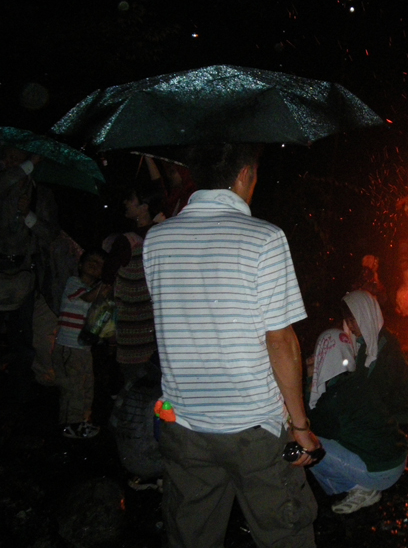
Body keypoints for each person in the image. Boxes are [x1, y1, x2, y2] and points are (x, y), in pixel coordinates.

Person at [143, 143, 319, 548]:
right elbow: (280, 341)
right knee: (285, 533)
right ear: (244, 174)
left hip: (183, 425)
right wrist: (299, 426)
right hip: (253, 428)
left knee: (191, 535)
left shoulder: (157, 240)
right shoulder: (264, 239)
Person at [308, 290, 408, 514]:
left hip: (386, 419)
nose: (351, 325)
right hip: (368, 416)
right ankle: (360, 475)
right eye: (348, 320)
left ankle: (362, 481)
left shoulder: (385, 348)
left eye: (354, 319)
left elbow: (404, 386)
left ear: (367, 315)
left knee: (319, 440)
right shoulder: (360, 343)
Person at [1, 146, 60, 402]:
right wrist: (28, 164)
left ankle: (19, 398)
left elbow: (50, 234)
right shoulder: (3, 186)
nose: (10, 160)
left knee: (23, 338)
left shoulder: (42, 194)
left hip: (24, 274)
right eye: (7, 156)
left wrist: (29, 216)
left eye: (17, 155)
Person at [102, 182, 165, 388]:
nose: (125, 203)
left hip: (131, 327)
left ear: (144, 207)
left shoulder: (126, 241)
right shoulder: (162, 234)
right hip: (157, 325)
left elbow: (107, 276)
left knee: (131, 385)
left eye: (131, 199)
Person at [53, 249, 108, 439]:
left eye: (100, 264)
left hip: (83, 348)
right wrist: (107, 285)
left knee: (86, 387)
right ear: (80, 265)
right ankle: (69, 425)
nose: (94, 264)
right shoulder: (73, 283)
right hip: (68, 347)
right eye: (91, 260)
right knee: (72, 388)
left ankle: (82, 422)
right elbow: (87, 297)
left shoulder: (98, 292)